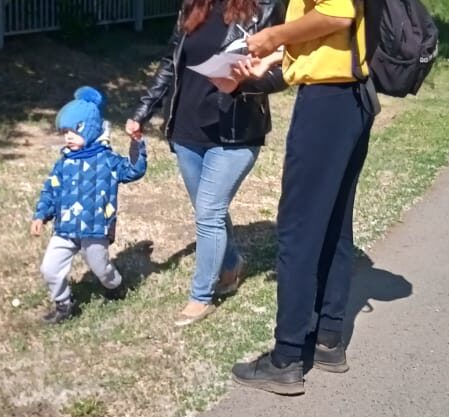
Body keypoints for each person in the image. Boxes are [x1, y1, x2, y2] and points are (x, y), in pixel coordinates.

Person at [230, 0, 376, 394]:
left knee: (297, 230)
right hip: (355, 97)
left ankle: (286, 358)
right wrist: (276, 56)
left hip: (325, 103)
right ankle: (328, 338)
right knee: (335, 224)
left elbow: (337, 14)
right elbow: (331, 37)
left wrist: (272, 36)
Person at [127, 0, 286, 326]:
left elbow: (286, 68)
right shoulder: (193, 6)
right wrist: (143, 111)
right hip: (187, 131)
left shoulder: (264, 7)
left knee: (209, 211)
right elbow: (170, 64)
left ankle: (200, 296)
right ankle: (230, 265)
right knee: (207, 209)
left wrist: (246, 81)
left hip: (235, 133)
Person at [33, 86, 148, 325]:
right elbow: (50, 191)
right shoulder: (63, 164)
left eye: (74, 130)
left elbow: (133, 170)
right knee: (49, 268)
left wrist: (136, 144)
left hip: (95, 230)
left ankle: (115, 286)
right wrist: (41, 215)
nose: (68, 137)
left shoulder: (107, 161)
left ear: (91, 128)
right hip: (65, 229)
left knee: (101, 268)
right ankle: (64, 304)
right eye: (65, 132)